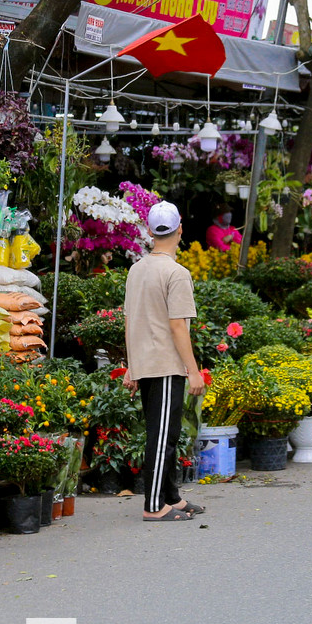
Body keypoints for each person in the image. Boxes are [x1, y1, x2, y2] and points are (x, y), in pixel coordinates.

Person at [123, 201, 208, 521]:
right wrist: (193, 371)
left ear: (149, 231)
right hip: (166, 364)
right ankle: (154, 506)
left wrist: (132, 366)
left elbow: (130, 320)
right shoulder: (176, 273)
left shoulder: (136, 270)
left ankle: (172, 496)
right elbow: (177, 326)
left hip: (146, 362)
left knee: (165, 433)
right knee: (163, 437)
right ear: (180, 229)